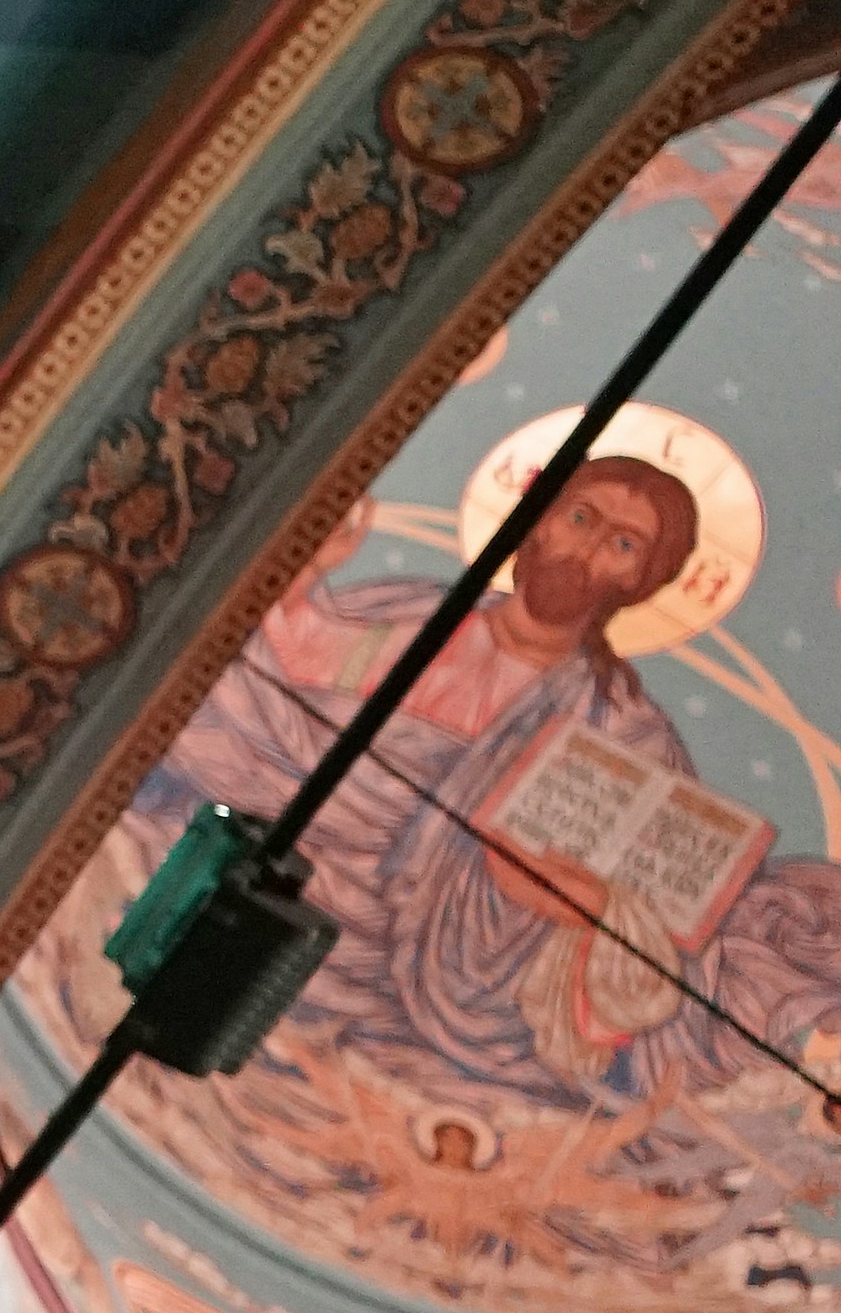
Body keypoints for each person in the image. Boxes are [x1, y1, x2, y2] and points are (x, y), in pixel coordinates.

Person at [145, 458, 841, 1108]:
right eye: (581, 517)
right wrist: (299, 578)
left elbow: (653, 921)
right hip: (286, 873)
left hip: (452, 971)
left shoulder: (629, 735)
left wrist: (591, 908)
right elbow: (263, 682)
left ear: (641, 580)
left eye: (624, 544)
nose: (587, 548)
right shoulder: (413, 612)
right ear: (539, 516)